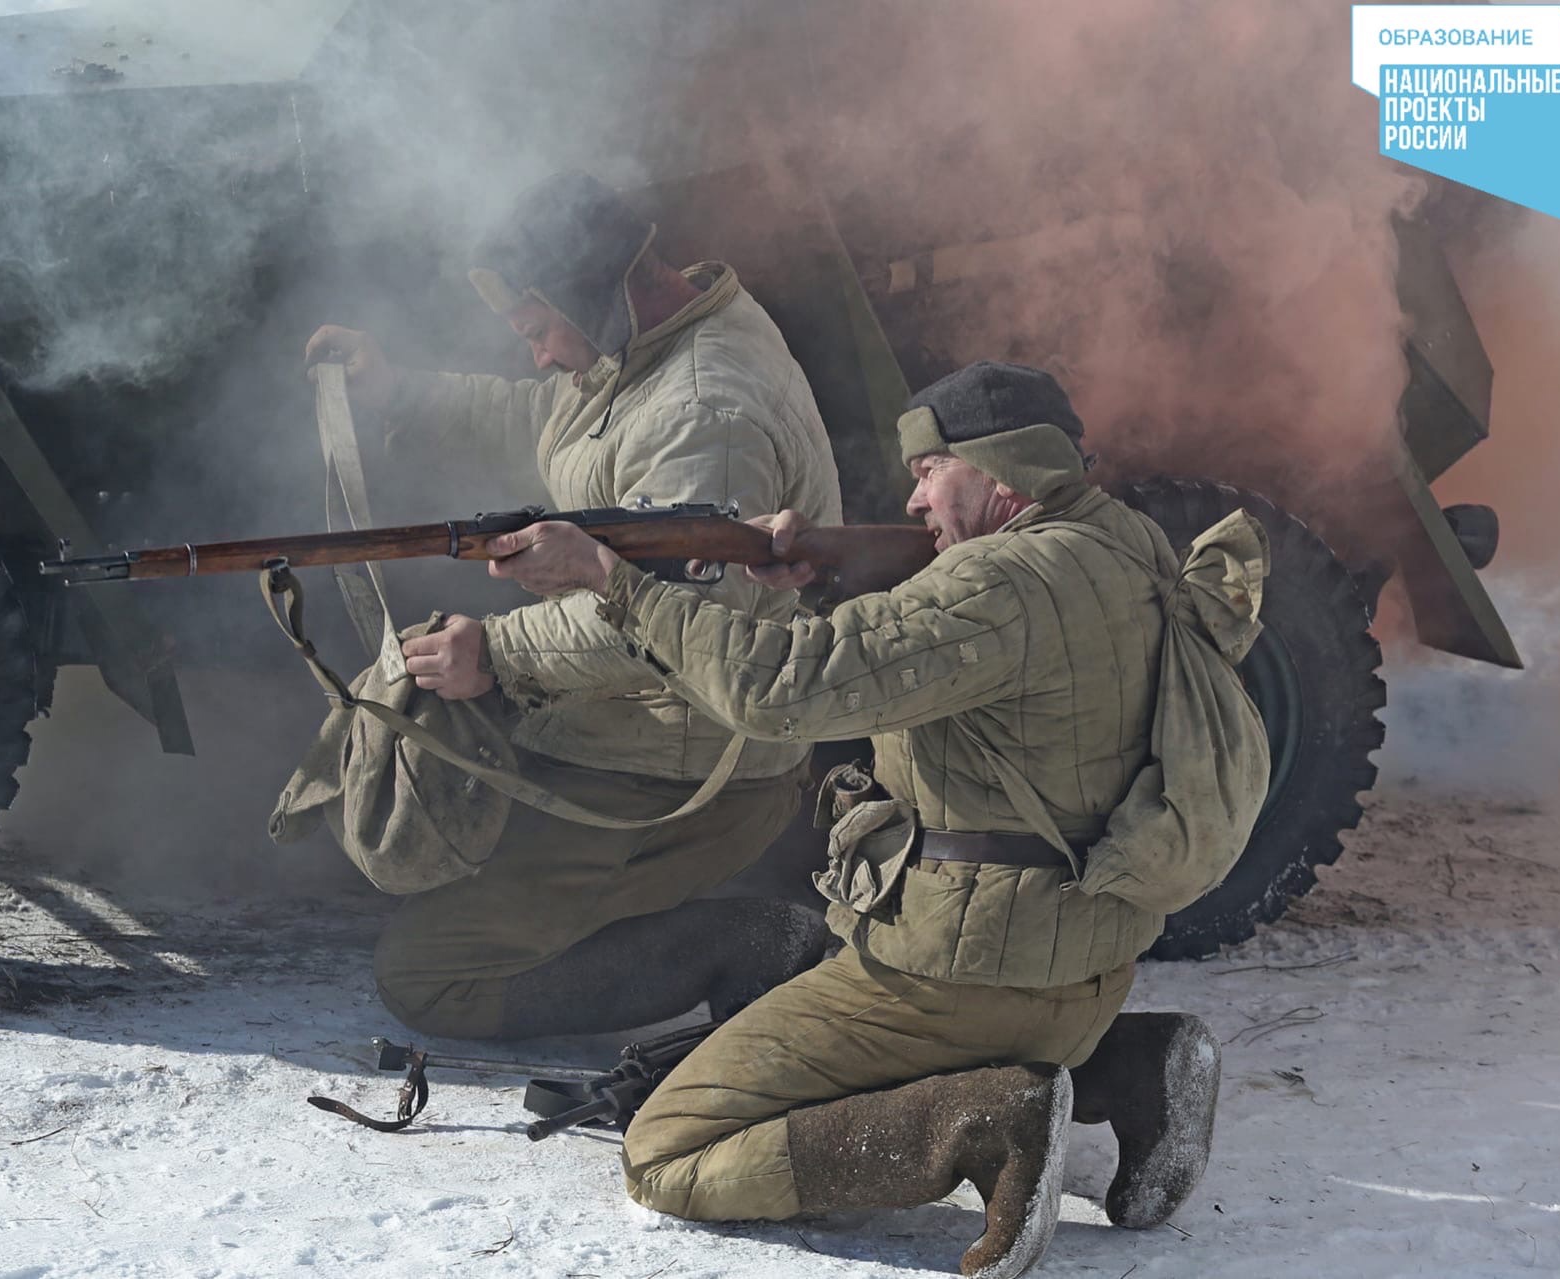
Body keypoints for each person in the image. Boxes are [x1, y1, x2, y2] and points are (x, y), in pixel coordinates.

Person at [487, 361, 1261, 1276]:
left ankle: (984, 1127)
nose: (914, 493)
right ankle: (1124, 1069)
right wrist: (816, 580)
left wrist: (610, 578)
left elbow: (778, 689)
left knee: (667, 1149)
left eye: (931, 470)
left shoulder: (995, 587)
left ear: (1001, 473)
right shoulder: (1122, 542)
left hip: (963, 980)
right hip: (1083, 970)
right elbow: (948, 660)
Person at [302, 172, 844, 1041]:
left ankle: (747, 941)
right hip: (634, 734)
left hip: (680, 763)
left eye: (539, 329)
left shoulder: (703, 409)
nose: (540, 355)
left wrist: (496, 653)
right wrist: (395, 390)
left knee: (429, 975)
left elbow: (669, 627)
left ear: (599, 292)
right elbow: (546, 419)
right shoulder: (651, 343)